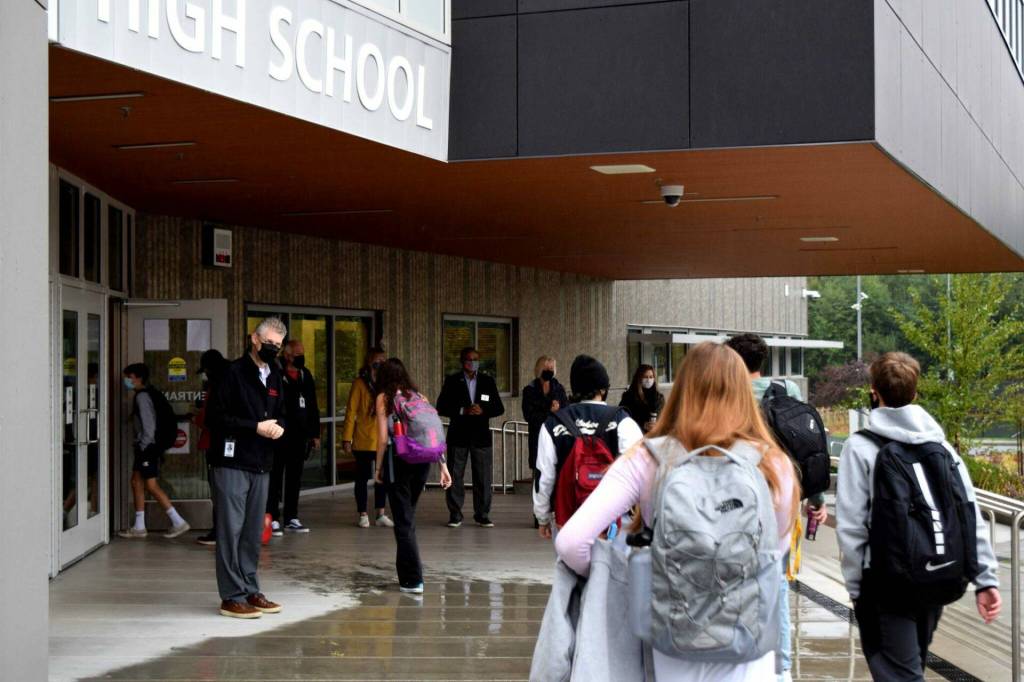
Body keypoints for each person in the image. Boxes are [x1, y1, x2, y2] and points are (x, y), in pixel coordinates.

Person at [554, 342, 799, 680]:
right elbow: (776, 550)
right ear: (742, 393)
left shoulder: (648, 458)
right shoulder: (773, 464)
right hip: (750, 652)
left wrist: (632, 581)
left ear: (683, 390)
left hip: (674, 649)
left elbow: (571, 543)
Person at [837, 352, 1001, 681]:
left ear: (874, 391)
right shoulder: (940, 446)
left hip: (885, 585)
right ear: (915, 393)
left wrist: (856, 587)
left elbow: (852, 526)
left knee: (900, 674)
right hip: (937, 575)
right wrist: (986, 578)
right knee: (909, 666)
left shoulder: (860, 447)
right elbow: (968, 513)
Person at [726, 332, 825, 682]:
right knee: (779, 583)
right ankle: (781, 669)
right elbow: (808, 447)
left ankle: (739, 660)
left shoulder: (726, 396)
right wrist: (816, 499)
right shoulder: (787, 392)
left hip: (735, 503)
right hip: (784, 501)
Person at [205, 317, 287, 619]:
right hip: (231, 461)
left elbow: (282, 414)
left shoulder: (275, 374)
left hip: (262, 462)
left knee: (253, 531)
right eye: (269, 343)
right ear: (254, 339)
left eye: (278, 345)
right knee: (231, 529)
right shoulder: (232, 373)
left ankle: (252, 590)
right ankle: (231, 595)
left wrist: (279, 428)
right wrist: (255, 427)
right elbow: (216, 417)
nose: (273, 348)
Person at [534, 355, 643, 539]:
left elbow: (544, 477)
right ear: (604, 388)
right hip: (612, 523)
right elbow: (640, 472)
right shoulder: (623, 421)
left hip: (568, 521)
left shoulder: (553, 424)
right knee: (611, 566)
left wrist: (542, 517)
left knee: (570, 566)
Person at [373, 358, 452, 593]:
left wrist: (378, 469)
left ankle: (413, 579)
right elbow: (433, 435)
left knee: (404, 522)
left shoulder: (384, 398)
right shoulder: (419, 396)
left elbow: (382, 439)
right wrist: (443, 466)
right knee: (407, 519)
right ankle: (405, 573)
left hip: (398, 463)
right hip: (422, 464)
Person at [117, 363, 191, 540]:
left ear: (138, 378)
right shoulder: (149, 394)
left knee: (150, 485)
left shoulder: (142, 397)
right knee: (136, 482)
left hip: (147, 447)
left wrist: (144, 446)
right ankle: (139, 526)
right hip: (148, 446)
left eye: (129, 377)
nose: (126, 380)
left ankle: (178, 521)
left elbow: (149, 425)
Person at [436, 347, 505, 528]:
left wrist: (483, 410)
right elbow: (441, 406)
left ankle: (482, 514)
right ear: (462, 361)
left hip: (481, 436)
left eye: (476, 359)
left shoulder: (487, 381)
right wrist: (462, 410)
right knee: (455, 476)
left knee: (483, 477)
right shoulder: (452, 381)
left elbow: (499, 407)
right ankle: (455, 514)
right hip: (458, 435)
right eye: (469, 359)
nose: (472, 362)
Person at [266, 339, 320, 536]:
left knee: (295, 477)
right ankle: (272, 516)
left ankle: (292, 517)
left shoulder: (305, 375)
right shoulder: (275, 374)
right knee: (275, 476)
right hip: (279, 434)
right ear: (287, 355)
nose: (301, 357)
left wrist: (315, 434)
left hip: (299, 435)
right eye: (297, 354)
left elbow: (313, 405)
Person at [342, 346, 394, 528]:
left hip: (383, 439)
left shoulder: (386, 383)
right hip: (364, 439)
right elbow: (351, 412)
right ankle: (363, 513)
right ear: (370, 361)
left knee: (382, 478)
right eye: (378, 360)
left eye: (384, 360)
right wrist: (347, 438)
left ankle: (380, 513)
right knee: (362, 479)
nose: (381, 363)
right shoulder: (360, 383)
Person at [195, 349, 229, 546]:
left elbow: (207, 418)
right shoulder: (232, 383)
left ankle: (218, 531)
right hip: (231, 445)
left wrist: (194, 417)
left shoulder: (215, 388)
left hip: (214, 444)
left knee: (217, 490)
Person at [521, 355, 568, 481]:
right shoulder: (529, 390)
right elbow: (529, 416)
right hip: (538, 437)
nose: (549, 370)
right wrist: (549, 411)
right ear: (539, 369)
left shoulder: (559, 389)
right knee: (540, 476)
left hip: (557, 437)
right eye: (546, 368)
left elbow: (567, 412)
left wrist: (559, 410)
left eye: (552, 368)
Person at [618, 363, 665, 433]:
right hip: (635, 435)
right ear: (639, 378)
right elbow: (622, 417)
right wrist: (643, 424)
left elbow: (665, 417)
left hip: (655, 436)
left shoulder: (659, 397)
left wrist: (658, 425)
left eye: (651, 377)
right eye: (645, 377)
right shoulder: (629, 397)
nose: (648, 380)